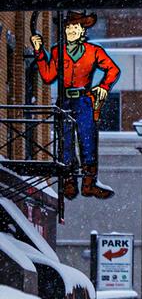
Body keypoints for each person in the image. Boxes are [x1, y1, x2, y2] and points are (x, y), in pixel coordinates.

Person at [31, 11, 120, 200]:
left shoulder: (93, 51)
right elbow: (48, 76)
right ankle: (69, 181)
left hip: (84, 99)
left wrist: (103, 87)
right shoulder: (58, 51)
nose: (71, 30)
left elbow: (113, 69)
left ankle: (89, 183)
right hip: (64, 101)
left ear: (82, 31)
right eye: (68, 27)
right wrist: (39, 52)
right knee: (65, 140)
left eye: (75, 27)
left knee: (87, 139)